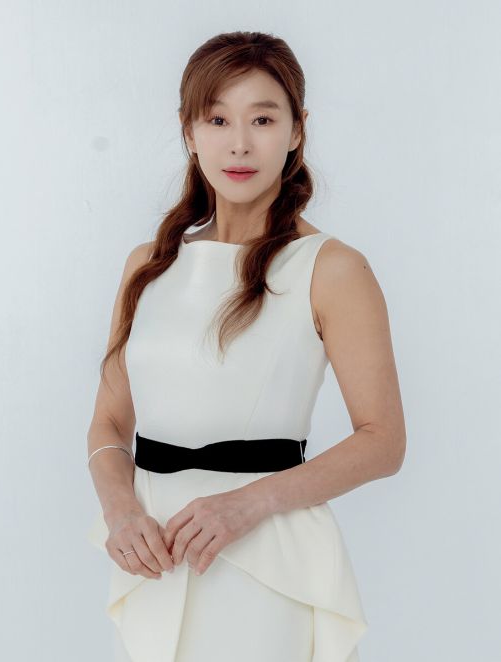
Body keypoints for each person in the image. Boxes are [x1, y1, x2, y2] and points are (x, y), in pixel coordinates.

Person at [86, 30, 406, 662]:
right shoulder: (147, 265)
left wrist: (248, 505)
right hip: (154, 560)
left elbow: (383, 440)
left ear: (297, 130)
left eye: (262, 119)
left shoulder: (331, 268)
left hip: (269, 562)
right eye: (217, 119)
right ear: (189, 131)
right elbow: (108, 424)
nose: (239, 143)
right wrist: (120, 511)